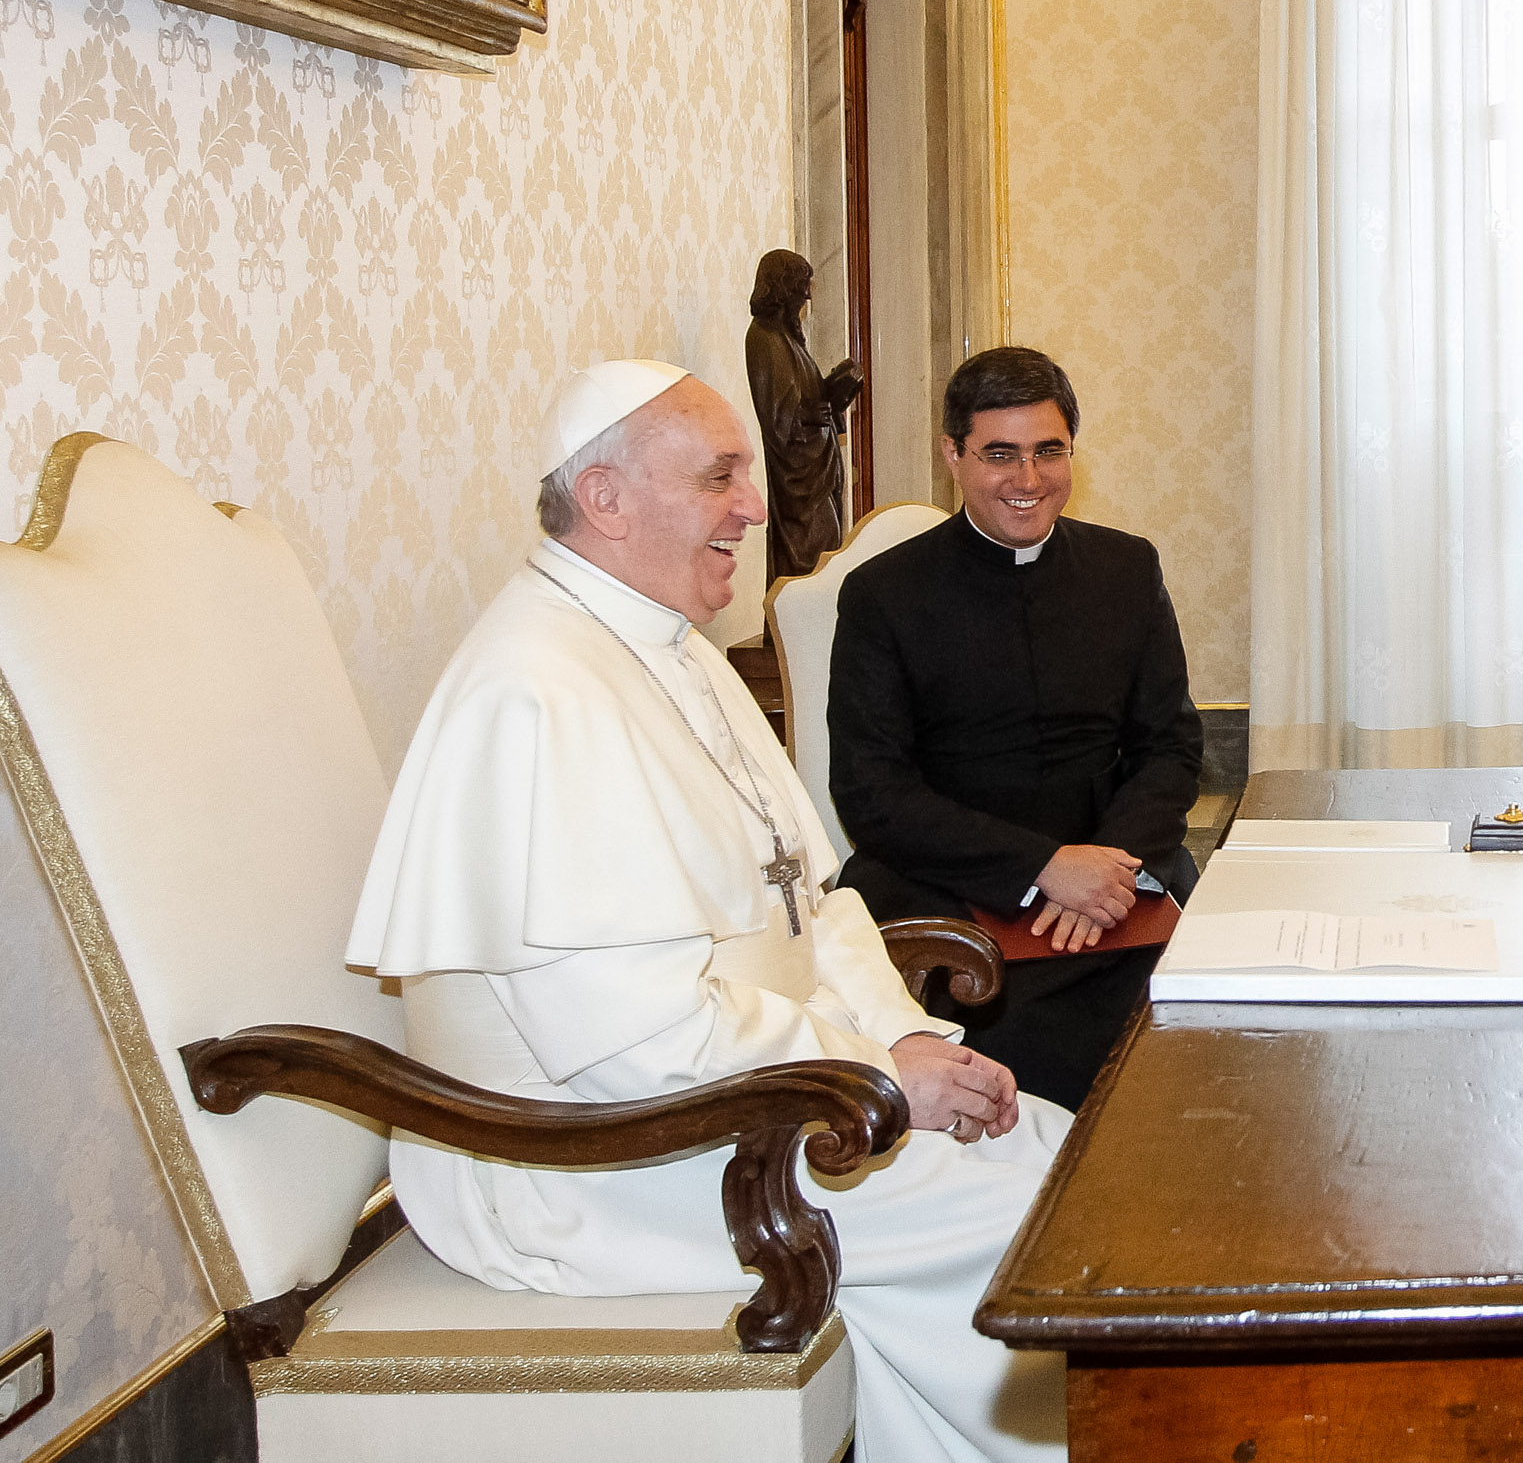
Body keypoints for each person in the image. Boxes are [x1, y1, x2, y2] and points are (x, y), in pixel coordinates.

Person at [350, 359, 1065, 1463]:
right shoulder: (536, 690)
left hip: (735, 1101)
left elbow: (811, 905)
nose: (753, 504)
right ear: (606, 498)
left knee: (1052, 1153)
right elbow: (626, 1042)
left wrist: (906, 1036)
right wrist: (874, 1081)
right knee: (1034, 1226)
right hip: (585, 1162)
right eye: (719, 476)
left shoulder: (673, 648)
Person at [830, 347, 1204, 1110]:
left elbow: (1168, 747)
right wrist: (1042, 866)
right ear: (952, 455)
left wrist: (1102, 866)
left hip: (1111, 877)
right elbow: (871, 792)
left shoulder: (1127, 569)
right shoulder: (883, 594)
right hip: (948, 880)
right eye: (1000, 455)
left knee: (1194, 1028)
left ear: (1071, 449)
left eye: (1048, 452)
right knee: (1022, 1049)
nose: (1027, 480)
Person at [744, 248, 865, 580]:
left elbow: (805, 398)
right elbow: (776, 418)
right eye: (801, 287)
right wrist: (812, 414)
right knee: (807, 557)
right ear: (784, 288)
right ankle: (796, 630)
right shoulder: (764, 339)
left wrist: (836, 391)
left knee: (826, 550)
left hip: (817, 467)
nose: (807, 296)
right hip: (798, 478)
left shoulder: (789, 339)